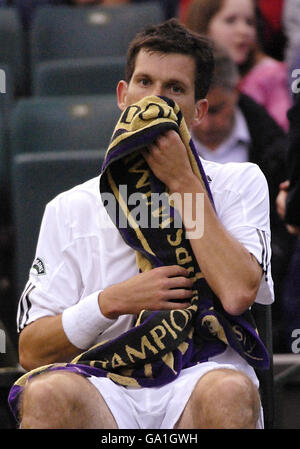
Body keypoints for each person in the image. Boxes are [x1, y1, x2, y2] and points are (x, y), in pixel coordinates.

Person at [11, 19, 273, 429]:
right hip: (104, 383)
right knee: (46, 393)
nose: (155, 101)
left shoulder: (239, 183)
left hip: (201, 376)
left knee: (229, 392)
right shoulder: (69, 207)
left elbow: (239, 292)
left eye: (174, 89)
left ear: (198, 111)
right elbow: (31, 350)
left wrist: (183, 182)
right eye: (144, 82)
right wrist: (109, 302)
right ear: (122, 95)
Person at [184, 0, 291, 132]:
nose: (243, 31)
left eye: (250, 22)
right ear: (203, 25)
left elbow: (282, 131)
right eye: (230, 20)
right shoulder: (182, 74)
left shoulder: (271, 74)